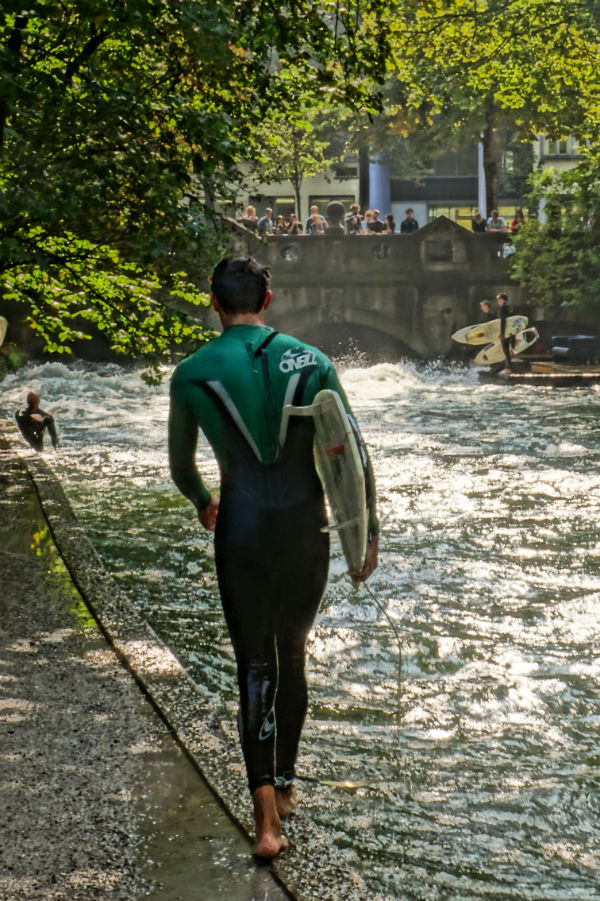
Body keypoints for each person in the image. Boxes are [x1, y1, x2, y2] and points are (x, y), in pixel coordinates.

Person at [168, 257, 378, 859]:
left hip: (242, 527)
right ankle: (285, 787)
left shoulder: (191, 373)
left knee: (253, 664)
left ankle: (265, 824)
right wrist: (367, 536)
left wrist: (205, 501)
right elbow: (352, 455)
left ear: (214, 301)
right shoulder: (313, 361)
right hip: (304, 528)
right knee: (292, 653)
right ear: (270, 298)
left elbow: (182, 469)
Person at [496, 292, 514, 374]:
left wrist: (502, 333)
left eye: (499, 299)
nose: (498, 301)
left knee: (505, 350)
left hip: (505, 332)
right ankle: (507, 366)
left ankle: (508, 368)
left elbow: (503, 321)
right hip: (511, 331)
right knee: (509, 349)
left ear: (503, 300)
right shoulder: (509, 308)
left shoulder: (502, 309)